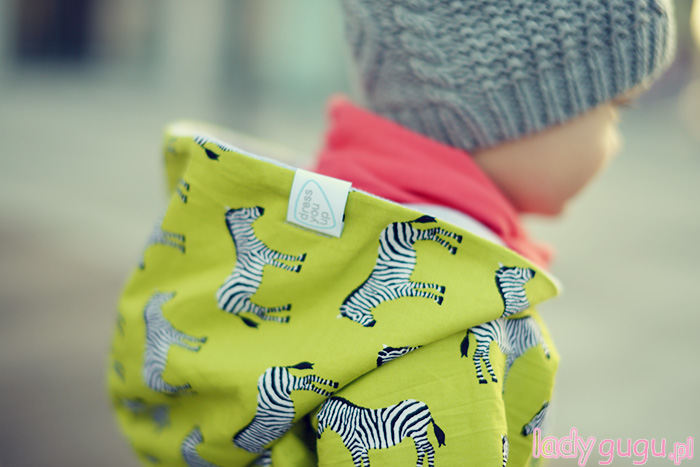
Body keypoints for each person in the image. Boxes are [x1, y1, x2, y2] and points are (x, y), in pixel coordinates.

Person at [108, 1, 676, 466]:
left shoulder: (328, 233)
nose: (617, 141)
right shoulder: (445, 324)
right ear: (513, 108)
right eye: (616, 109)